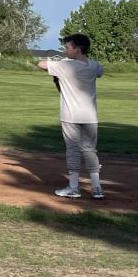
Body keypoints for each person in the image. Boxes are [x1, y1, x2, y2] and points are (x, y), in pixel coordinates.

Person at [37, 33, 105, 199]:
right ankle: (97, 188)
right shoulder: (94, 66)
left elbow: (41, 64)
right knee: (90, 150)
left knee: (73, 150)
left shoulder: (65, 66)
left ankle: (74, 187)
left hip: (71, 116)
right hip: (90, 116)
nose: (65, 50)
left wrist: (63, 62)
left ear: (77, 49)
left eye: (68, 47)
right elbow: (99, 71)